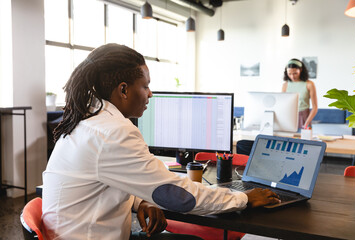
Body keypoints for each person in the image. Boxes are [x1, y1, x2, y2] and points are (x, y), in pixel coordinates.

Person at [42, 43, 280, 240]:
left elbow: (108, 178)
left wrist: (142, 200)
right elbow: (179, 196)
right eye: (145, 86)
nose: (150, 94)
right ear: (123, 90)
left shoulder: (87, 121)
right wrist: (244, 199)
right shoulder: (114, 132)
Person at [282, 58, 318, 129]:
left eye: (295, 73)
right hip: (289, 117)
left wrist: (307, 122)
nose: (292, 76)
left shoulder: (309, 84)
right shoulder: (285, 85)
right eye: (289, 73)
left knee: (303, 139)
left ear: (301, 70)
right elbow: (283, 104)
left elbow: (315, 107)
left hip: (304, 117)